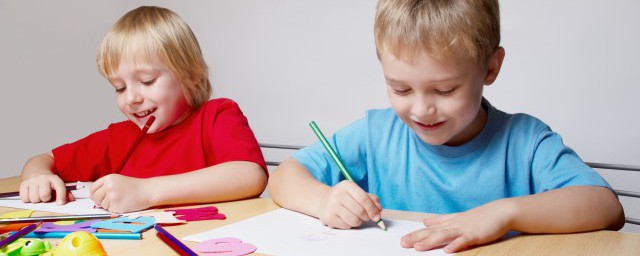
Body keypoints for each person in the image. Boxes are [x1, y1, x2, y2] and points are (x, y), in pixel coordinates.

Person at [267, 0, 624, 253]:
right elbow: (285, 177)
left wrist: (503, 213)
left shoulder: (525, 142)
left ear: (490, 68)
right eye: (400, 88)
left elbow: (606, 206)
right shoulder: (377, 134)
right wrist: (325, 199)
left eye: (444, 89)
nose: (421, 109)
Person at [19, 6, 267, 213]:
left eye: (147, 81)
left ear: (191, 76)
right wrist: (38, 176)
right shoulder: (117, 138)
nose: (131, 98)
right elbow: (42, 160)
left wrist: (145, 192)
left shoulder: (216, 116)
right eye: (119, 87)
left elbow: (250, 175)